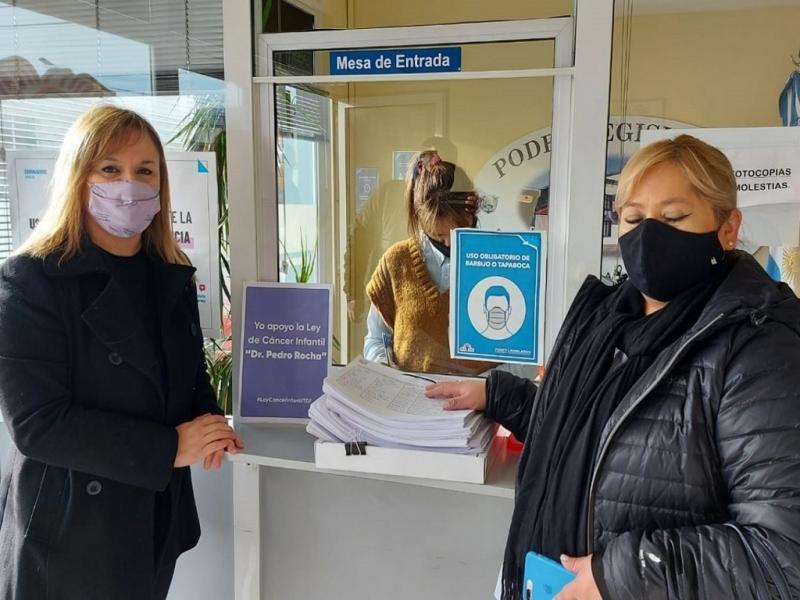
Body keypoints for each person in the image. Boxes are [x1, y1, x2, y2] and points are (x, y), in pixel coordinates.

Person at [427, 134, 800, 599]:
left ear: (727, 227)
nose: (649, 234)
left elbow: (782, 555)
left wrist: (620, 576)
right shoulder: (605, 316)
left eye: (674, 217)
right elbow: (595, 431)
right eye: (633, 217)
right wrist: (500, 396)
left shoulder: (758, 345)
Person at [0, 105, 243, 600]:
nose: (128, 184)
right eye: (110, 168)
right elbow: (38, 424)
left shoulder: (170, 276)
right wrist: (171, 448)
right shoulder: (30, 281)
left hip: (154, 519)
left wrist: (212, 424)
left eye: (144, 170)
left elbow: (187, 379)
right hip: (68, 535)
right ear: (77, 177)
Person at [363, 150, 497, 375]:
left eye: (459, 233)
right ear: (421, 221)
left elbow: (519, 357)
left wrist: (489, 389)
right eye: (438, 236)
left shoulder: (500, 261)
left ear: (472, 213)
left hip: (481, 402)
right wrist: (389, 374)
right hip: (410, 400)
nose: (451, 244)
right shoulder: (396, 262)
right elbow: (375, 340)